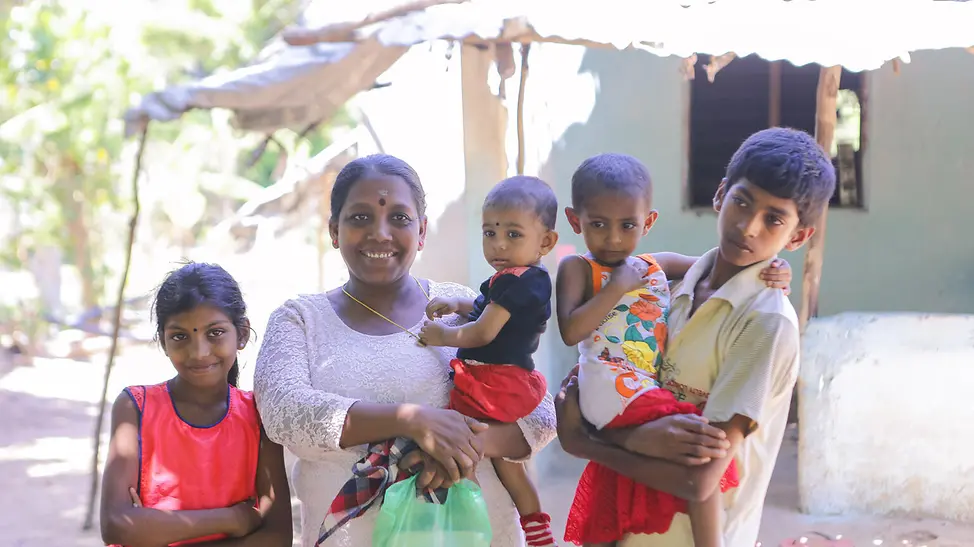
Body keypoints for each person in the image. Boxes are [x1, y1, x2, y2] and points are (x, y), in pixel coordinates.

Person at [252, 154, 558, 547]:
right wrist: (413, 422)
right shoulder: (300, 319)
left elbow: (539, 414)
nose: (380, 233)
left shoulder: (459, 306)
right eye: (360, 217)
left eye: (399, 218)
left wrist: (462, 446)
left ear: (422, 231)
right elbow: (284, 412)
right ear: (334, 230)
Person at [555, 127, 836, 547]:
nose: (748, 226)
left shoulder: (766, 323)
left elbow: (700, 480)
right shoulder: (669, 288)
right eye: (742, 202)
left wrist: (589, 440)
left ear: (797, 237)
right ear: (721, 195)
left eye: (773, 219)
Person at [99, 262, 292, 547]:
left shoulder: (259, 415)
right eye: (180, 336)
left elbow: (277, 537)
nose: (199, 352)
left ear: (241, 333)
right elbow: (116, 525)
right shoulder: (135, 407)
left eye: (215, 333)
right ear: (163, 342)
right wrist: (233, 519)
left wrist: (152, 529)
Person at [419, 175, 561, 547]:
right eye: (489, 233)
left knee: (462, 447)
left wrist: (442, 336)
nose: (498, 244)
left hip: (493, 382)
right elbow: (487, 309)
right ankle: (537, 528)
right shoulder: (521, 278)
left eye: (513, 234)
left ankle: (470, 523)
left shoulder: (517, 283)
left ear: (546, 241)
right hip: (505, 380)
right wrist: (459, 304)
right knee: (508, 465)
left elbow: (483, 332)